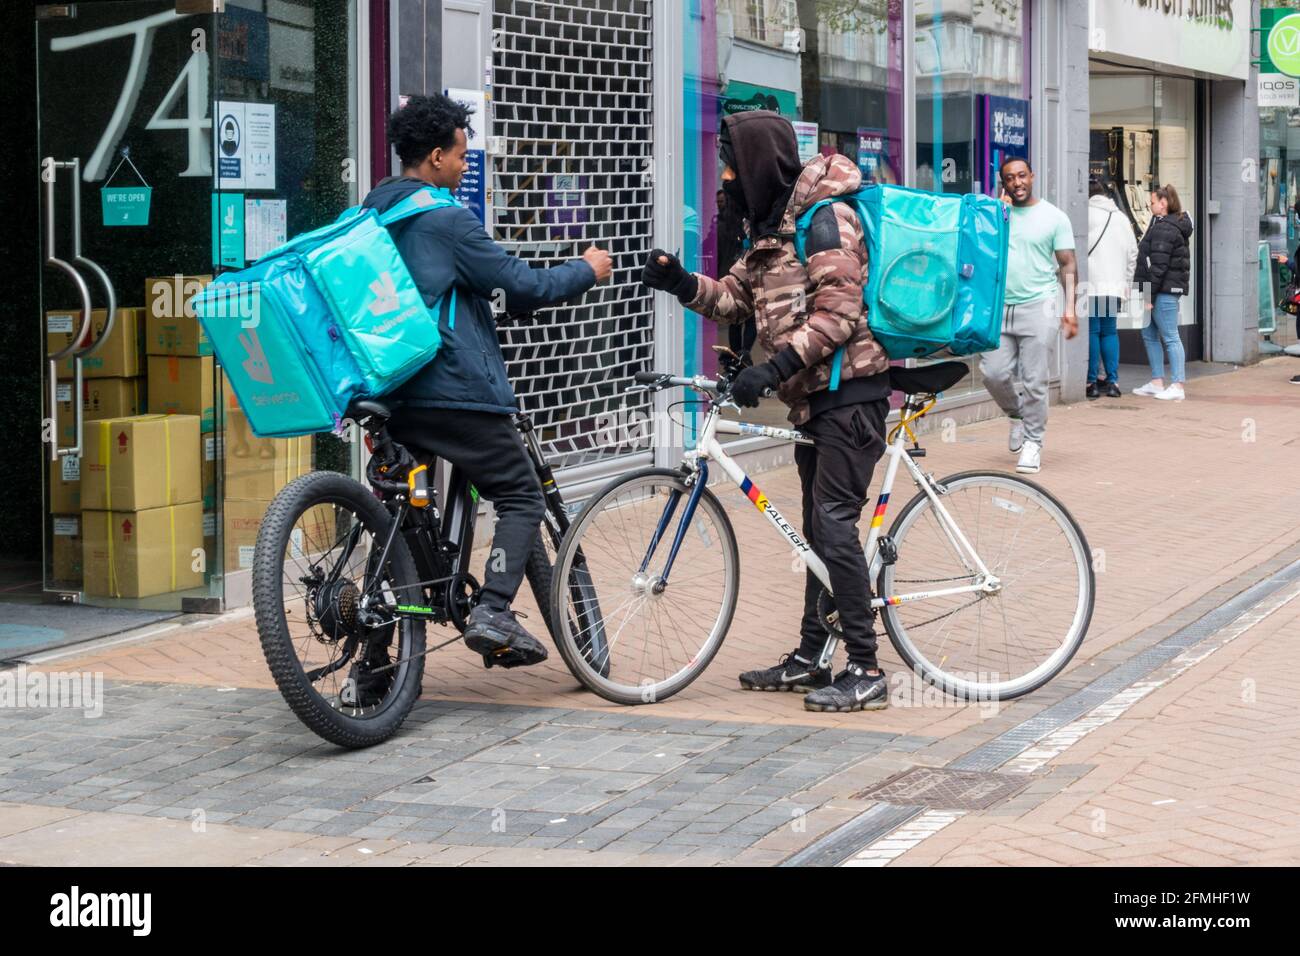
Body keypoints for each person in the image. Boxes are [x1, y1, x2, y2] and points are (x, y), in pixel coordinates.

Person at [641, 110, 893, 713]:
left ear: (759, 161)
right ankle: (812, 656)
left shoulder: (825, 217)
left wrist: (773, 370)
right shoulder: (768, 229)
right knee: (818, 532)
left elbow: (838, 315)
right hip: (815, 399)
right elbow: (732, 299)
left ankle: (867, 667)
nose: (726, 176)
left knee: (833, 527)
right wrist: (678, 281)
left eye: (732, 162)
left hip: (851, 394)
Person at [362, 94, 612, 669]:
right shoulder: (445, 218)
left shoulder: (370, 215)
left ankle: (375, 665)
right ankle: (494, 609)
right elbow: (523, 284)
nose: (466, 163)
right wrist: (586, 270)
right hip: (453, 390)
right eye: (461, 153)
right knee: (520, 494)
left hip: (389, 393)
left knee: (400, 518)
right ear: (435, 156)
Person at [983, 157, 1078, 474]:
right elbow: (982, 250)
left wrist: (1070, 308)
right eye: (1010, 178)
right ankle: (1016, 415)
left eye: (1022, 176)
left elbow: (1067, 264)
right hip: (1000, 308)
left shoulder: (1054, 217)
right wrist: (997, 214)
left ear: (1032, 176)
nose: (1017, 183)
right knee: (993, 373)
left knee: (1035, 380)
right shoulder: (997, 214)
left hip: (1039, 306)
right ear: (1003, 182)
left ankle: (1033, 443)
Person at [1132, 184, 1191, 402]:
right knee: (1149, 334)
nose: (1150, 205)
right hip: (1160, 290)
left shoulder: (1165, 228)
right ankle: (1157, 382)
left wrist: (1149, 296)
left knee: (1170, 336)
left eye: (1153, 201)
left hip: (1162, 292)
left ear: (1163, 203)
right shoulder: (1162, 223)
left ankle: (1177, 385)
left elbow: (1158, 266)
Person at [1085, 178, 1137, 399]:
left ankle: (1091, 382)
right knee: (1109, 331)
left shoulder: (1083, 215)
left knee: (1092, 332)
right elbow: (1132, 254)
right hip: (1114, 285)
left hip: (1089, 285)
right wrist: (1125, 283)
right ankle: (1113, 381)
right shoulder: (1121, 218)